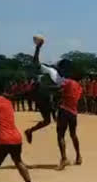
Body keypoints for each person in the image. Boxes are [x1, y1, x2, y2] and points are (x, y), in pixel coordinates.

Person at [33, 36, 84, 170]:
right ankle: (79, 156)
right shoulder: (77, 85)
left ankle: (64, 158)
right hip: (73, 111)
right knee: (73, 134)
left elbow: (59, 89)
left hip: (64, 109)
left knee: (60, 135)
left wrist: (45, 89)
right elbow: (37, 64)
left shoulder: (62, 80)